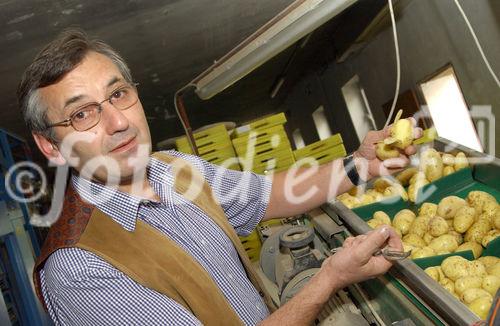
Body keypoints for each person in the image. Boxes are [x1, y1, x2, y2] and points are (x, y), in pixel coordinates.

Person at [18, 29, 420, 325]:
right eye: (82, 114)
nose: (119, 122)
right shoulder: (78, 267)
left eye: (119, 94)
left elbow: (271, 194)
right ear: (51, 145)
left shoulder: (176, 169)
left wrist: (361, 166)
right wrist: (330, 278)